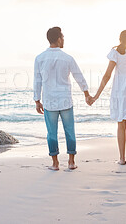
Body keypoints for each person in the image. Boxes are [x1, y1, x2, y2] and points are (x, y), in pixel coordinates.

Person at [33, 27, 92, 171]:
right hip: (65, 100)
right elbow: (79, 76)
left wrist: (37, 100)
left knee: (51, 133)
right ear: (59, 39)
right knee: (69, 131)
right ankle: (71, 162)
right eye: (63, 37)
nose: (63, 40)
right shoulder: (67, 58)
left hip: (49, 101)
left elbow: (37, 81)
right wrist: (86, 94)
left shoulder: (40, 58)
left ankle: (55, 163)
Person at [92, 30, 126, 165]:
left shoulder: (116, 53)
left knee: (121, 125)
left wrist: (96, 96)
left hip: (119, 92)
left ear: (120, 39)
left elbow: (107, 75)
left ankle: (122, 158)